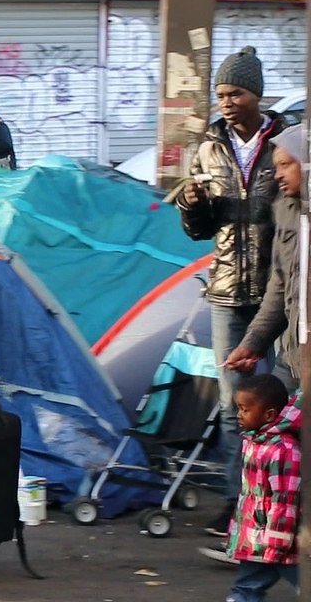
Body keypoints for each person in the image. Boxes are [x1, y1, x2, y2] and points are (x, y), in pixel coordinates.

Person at [174, 45, 284, 538]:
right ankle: (236, 501)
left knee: (282, 400)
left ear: (256, 95)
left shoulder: (285, 144)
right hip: (226, 295)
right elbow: (199, 231)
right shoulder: (208, 148)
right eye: (220, 94)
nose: (226, 102)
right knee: (231, 404)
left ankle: (279, 497)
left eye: (235, 93)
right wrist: (192, 204)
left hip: (279, 295)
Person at [224, 125, 305, 389]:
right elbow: (280, 286)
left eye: (285, 165)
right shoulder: (285, 209)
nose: (277, 175)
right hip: (292, 358)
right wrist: (253, 343)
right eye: (276, 166)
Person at [222, 374, 300, 601]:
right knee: (245, 588)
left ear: (269, 415)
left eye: (245, 409)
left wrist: (277, 542)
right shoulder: (253, 441)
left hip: (284, 542)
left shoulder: (283, 450)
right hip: (256, 539)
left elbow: (285, 500)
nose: (239, 414)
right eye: (238, 408)